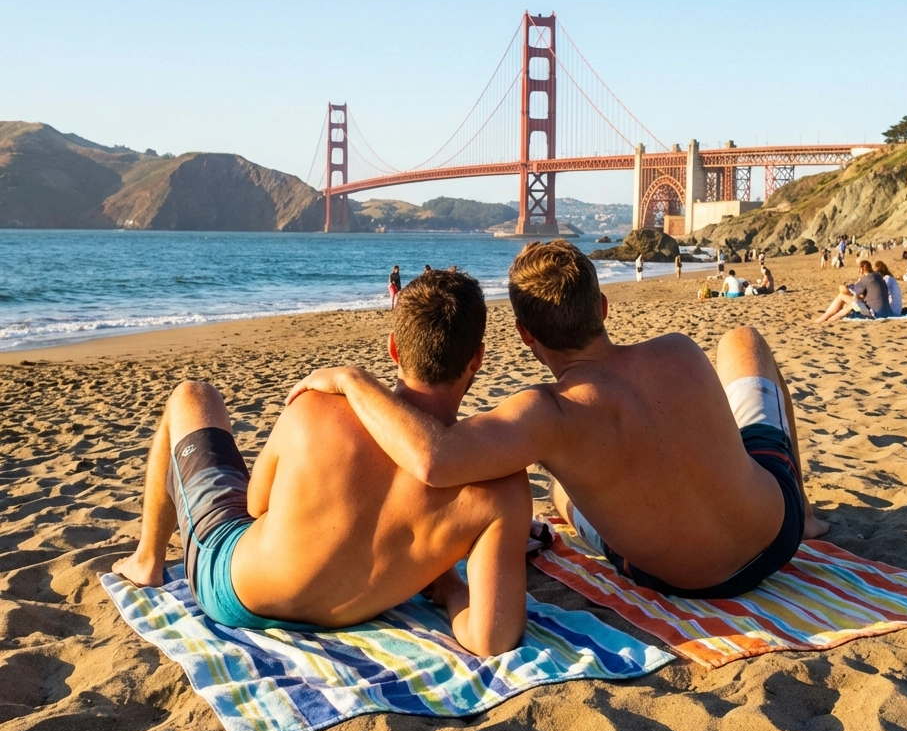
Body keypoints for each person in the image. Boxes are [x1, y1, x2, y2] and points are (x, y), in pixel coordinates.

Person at [288, 239, 828, 601]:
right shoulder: (679, 351)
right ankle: (803, 508)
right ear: (603, 309)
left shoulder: (545, 415)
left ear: (526, 336)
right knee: (741, 341)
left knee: (564, 498)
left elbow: (434, 458)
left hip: (690, 585)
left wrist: (353, 381)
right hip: (777, 536)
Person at [112, 270, 531, 656]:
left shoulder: (314, 408)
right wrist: (451, 587)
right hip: (352, 613)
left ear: (393, 348)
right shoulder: (500, 488)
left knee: (192, 395)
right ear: (476, 359)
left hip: (234, 594)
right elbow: (490, 639)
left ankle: (147, 562)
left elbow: (255, 507)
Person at [816, 260, 894, 323]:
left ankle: (825, 317)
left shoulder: (867, 278)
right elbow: (869, 295)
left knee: (842, 296)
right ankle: (830, 319)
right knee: (852, 304)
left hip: (875, 313)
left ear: (863, 269)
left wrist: (850, 285)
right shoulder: (878, 277)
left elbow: (851, 291)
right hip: (886, 312)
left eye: (859, 271)